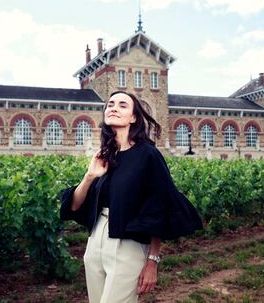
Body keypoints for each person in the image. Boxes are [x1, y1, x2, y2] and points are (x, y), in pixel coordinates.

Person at [60, 91, 203, 303]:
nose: (114, 108)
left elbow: (160, 207)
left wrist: (152, 261)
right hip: (95, 242)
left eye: (122, 105)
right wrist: (89, 176)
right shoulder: (105, 156)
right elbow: (74, 205)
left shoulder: (148, 155)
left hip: (128, 245)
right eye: (110, 104)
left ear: (134, 117)